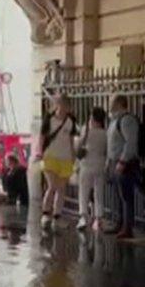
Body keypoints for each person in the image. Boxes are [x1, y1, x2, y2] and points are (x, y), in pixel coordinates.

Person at [39, 94, 78, 229]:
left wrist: (73, 157)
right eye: (62, 105)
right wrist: (40, 152)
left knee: (61, 189)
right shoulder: (49, 119)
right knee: (52, 186)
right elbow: (42, 136)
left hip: (65, 158)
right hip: (50, 156)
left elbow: (71, 140)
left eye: (67, 106)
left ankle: (57, 216)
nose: (65, 108)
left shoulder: (71, 120)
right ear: (57, 105)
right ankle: (45, 214)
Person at [105, 95, 140, 239]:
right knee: (118, 196)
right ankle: (119, 223)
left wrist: (123, 161)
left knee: (126, 196)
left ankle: (127, 227)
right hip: (115, 161)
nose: (109, 104)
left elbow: (130, 142)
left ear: (119, 104)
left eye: (112, 102)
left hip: (124, 163)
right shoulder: (115, 120)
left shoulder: (127, 120)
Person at [77, 107, 108, 232]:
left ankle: (84, 217)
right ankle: (98, 219)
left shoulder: (86, 130)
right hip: (100, 165)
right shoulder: (105, 133)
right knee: (98, 192)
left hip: (86, 165)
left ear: (92, 118)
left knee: (84, 192)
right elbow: (107, 151)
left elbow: (79, 145)